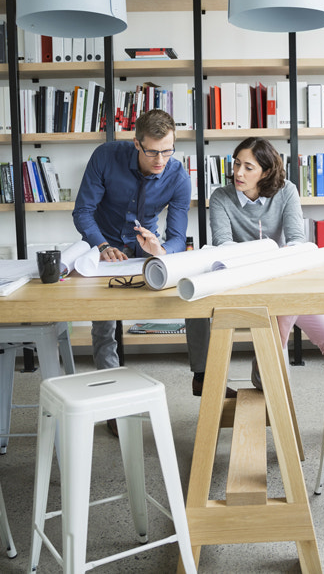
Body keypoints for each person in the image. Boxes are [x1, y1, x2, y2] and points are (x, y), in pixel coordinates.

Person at [72, 109, 223, 434]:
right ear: (137, 144)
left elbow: (178, 237)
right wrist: (100, 246)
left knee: (191, 289)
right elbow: (82, 211)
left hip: (147, 242)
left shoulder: (179, 176)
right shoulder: (106, 156)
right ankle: (113, 401)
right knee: (104, 317)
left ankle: (201, 373)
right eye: (153, 151)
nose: (160, 159)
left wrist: (162, 251)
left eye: (167, 151)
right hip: (106, 243)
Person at [208, 137, 324, 434]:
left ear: (264, 172)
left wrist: (277, 261)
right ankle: (277, 398)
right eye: (236, 164)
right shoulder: (221, 197)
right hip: (249, 285)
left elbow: (296, 241)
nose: (238, 172)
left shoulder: (287, 191)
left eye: (248, 167)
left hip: (286, 281)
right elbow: (223, 247)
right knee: (277, 331)